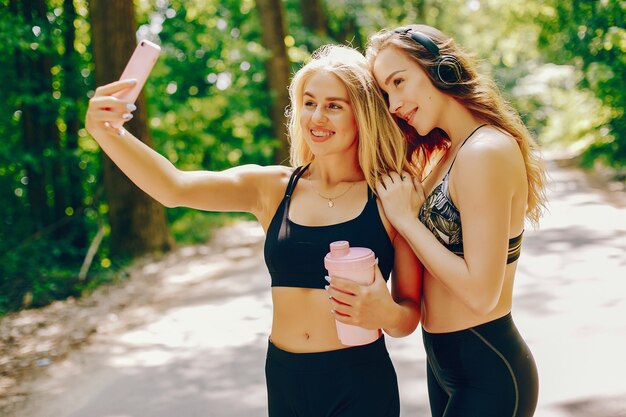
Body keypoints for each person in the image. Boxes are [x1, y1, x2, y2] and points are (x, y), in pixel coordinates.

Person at [85, 44, 423, 417]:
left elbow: (408, 314)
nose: (317, 117)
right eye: (309, 103)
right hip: (285, 378)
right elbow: (173, 188)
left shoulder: (391, 194)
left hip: (360, 382)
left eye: (334, 106)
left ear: (362, 115)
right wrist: (107, 132)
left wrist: (384, 313)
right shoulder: (272, 187)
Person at [327, 25, 546, 417]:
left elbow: (482, 293)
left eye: (399, 81)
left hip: (488, 373)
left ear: (441, 68)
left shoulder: (486, 151)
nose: (394, 103)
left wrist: (407, 220)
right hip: (445, 367)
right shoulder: (446, 156)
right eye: (385, 92)